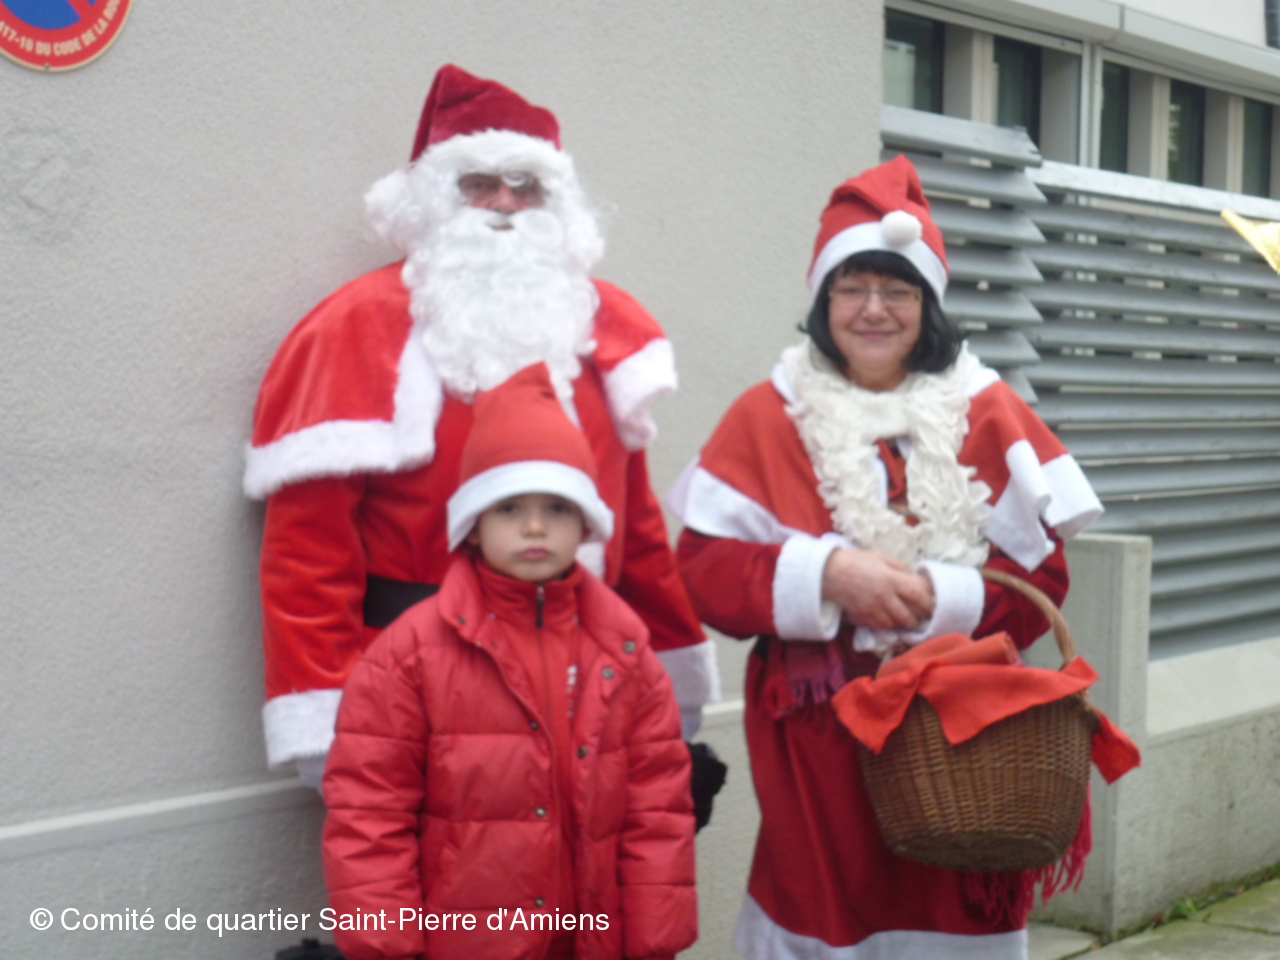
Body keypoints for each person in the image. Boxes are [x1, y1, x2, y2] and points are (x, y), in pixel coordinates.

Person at [666, 155, 1104, 960]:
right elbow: (703, 572)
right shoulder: (768, 414)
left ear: (927, 303)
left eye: (897, 290)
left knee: (953, 918)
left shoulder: (988, 408)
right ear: (823, 300)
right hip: (818, 746)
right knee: (820, 915)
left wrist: (943, 597)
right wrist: (825, 577)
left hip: (962, 739)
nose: (874, 309)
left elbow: (1043, 578)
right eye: (852, 288)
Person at [244, 65, 717, 787]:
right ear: (431, 199)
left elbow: (638, 531)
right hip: (416, 693)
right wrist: (327, 722)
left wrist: (672, 683)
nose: (505, 204)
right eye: (479, 184)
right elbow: (307, 554)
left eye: (527, 186)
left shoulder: (597, 331)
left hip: (587, 693)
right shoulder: (354, 332)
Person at [322, 363, 697, 960]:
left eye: (557, 508)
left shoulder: (626, 651)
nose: (534, 527)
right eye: (509, 508)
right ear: (472, 526)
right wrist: (387, 945)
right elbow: (370, 810)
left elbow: (658, 811)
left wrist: (655, 939)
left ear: (585, 524)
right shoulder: (409, 654)